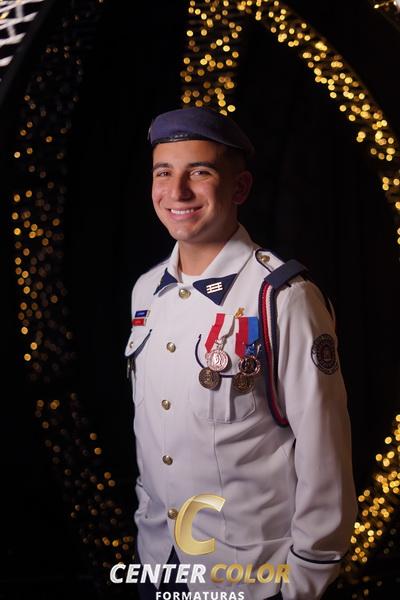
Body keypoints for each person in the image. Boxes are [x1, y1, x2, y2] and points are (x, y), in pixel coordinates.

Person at [125, 106, 358, 600]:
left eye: (200, 172)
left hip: (254, 577)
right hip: (160, 565)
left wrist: (306, 579)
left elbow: (325, 449)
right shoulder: (146, 293)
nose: (177, 191)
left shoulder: (282, 297)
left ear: (240, 188)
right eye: (163, 173)